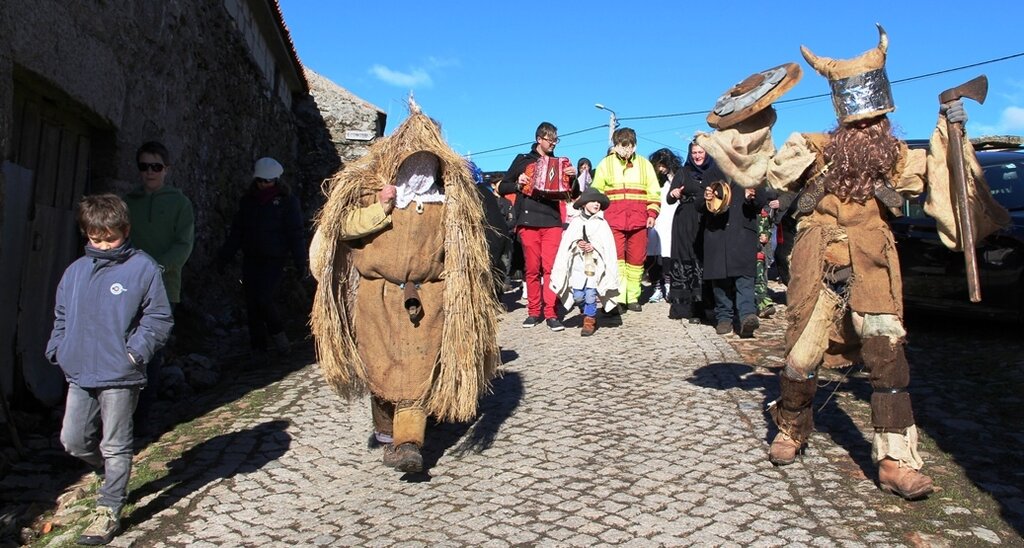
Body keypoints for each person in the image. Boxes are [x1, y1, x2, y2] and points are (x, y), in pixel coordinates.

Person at [700, 29, 1008, 500]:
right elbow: (764, 172)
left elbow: (943, 182)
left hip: (873, 262)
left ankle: (894, 460)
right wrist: (752, 117)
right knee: (802, 358)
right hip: (818, 259)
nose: (869, 130)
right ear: (844, 121)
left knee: (888, 361)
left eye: (876, 121)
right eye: (860, 123)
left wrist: (952, 130)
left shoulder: (898, 157)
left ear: (885, 118)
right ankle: (791, 430)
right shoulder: (812, 146)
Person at [309, 102, 501, 474]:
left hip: (428, 299)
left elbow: (467, 252)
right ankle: (387, 434)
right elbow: (342, 229)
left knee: (416, 370)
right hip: (376, 296)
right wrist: (380, 208)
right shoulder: (369, 191)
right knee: (379, 368)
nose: (418, 173)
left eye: (425, 165)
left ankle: (409, 442)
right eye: (411, 165)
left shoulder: (449, 203)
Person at [46, 194, 173, 545]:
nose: (102, 244)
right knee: (73, 440)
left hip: (120, 373)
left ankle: (109, 507)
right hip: (80, 371)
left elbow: (159, 317)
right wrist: (59, 349)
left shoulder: (143, 268)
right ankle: (110, 474)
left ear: (126, 230)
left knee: (116, 444)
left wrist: (135, 353)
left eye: (110, 238)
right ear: (87, 234)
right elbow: (60, 316)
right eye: (95, 238)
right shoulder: (75, 272)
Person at [123, 141, 194, 436]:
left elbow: (183, 245)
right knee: (124, 351)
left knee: (150, 356)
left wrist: (155, 270)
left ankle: (141, 422)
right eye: (144, 166)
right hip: (126, 290)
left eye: (156, 166)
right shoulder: (127, 203)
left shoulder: (180, 204)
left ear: (166, 169)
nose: (150, 172)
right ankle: (120, 419)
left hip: (163, 289)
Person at [217, 157, 307, 360]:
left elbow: (295, 233)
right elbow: (237, 232)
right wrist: (224, 257)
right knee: (251, 304)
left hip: (274, 259)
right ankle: (258, 349)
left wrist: (301, 261)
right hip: (251, 258)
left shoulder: (287, 202)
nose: (264, 185)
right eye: (261, 181)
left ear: (276, 180)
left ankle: (280, 339)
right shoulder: (248, 202)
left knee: (264, 298)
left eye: (268, 181)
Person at [497, 122, 577, 331]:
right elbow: (503, 186)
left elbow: (572, 194)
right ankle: (534, 311)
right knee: (532, 269)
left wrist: (573, 177)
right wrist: (518, 183)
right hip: (528, 220)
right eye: (549, 139)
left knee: (551, 268)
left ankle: (551, 312)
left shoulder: (560, 163)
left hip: (552, 220)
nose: (553, 143)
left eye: (555, 139)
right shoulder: (523, 160)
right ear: (539, 139)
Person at [590, 128, 661, 312]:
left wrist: (652, 214)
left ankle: (633, 297)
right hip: (613, 221)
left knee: (637, 261)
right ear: (615, 146)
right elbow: (596, 191)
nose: (625, 150)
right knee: (617, 261)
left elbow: (654, 192)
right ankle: (619, 298)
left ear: (634, 145)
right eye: (622, 146)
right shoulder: (605, 165)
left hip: (638, 221)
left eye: (628, 146)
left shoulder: (645, 165)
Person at [699, 180, 767, 337]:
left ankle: (747, 316)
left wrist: (752, 198)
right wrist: (705, 198)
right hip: (717, 233)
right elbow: (698, 204)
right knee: (720, 280)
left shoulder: (751, 173)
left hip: (742, 234)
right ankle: (724, 318)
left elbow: (761, 202)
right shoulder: (712, 172)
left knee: (745, 278)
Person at [549, 188, 619, 336]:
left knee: (590, 294)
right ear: (584, 203)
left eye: (598, 202)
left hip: (595, 266)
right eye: (593, 201)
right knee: (579, 295)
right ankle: (585, 309)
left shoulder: (602, 223)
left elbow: (607, 246)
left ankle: (589, 320)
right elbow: (567, 244)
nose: (596, 204)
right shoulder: (575, 222)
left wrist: (594, 246)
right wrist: (577, 243)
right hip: (578, 267)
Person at [666, 142, 713, 323]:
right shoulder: (683, 172)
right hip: (685, 220)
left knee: (702, 260)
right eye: (694, 152)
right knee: (685, 258)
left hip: (706, 220)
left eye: (701, 152)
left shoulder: (713, 173)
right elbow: (669, 198)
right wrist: (674, 193)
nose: (697, 156)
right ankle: (684, 307)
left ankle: (702, 307)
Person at [647, 148, 683, 305]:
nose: (660, 168)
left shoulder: (677, 177)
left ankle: (668, 285)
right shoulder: (652, 179)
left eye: (663, 165)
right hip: (655, 220)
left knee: (668, 255)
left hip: (671, 220)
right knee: (653, 255)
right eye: (658, 165)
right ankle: (656, 287)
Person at [754, 192, 781, 318]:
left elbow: (768, 225)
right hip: (744, 234)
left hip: (764, 218)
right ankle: (758, 301)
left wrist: (766, 234)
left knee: (761, 266)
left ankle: (762, 300)